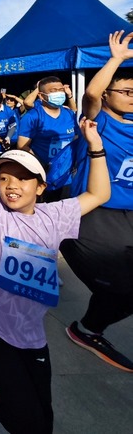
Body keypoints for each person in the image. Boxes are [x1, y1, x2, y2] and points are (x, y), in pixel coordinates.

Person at [0, 92, 110, 434]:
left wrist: (96, 147)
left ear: (41, 187)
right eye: (4, 178)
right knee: (23, 418)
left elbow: (99, 194)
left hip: (32, 331)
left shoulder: (56, 215)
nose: (11, 186)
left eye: (22, 178)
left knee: (42, 420)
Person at [60, 30, 133, 372]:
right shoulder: (97, 121)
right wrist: (115, 59)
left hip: (128, 216)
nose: (132, 98)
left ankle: (91, 327)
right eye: (126, 92)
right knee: (120, 288)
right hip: (94, 215)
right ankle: (88, 329)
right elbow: (90, 94)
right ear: (108, 94)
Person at [16, 77, 78, 202]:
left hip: (67, 175)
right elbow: (22, 146)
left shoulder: (69, 114)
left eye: (61, 90)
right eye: (54, 90)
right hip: (45, 176)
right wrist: (41, 166)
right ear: (41, 96)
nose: (59, 93)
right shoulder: (32, 117)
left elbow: (76, 138)